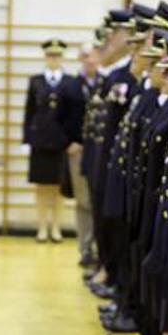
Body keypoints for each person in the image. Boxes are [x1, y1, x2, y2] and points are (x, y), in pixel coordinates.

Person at [23, 38, 73, 242]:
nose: (54, 59)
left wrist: (72, 139)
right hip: (40, 141)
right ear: (45, 57)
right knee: (41, 186)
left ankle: (56, 228)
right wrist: (26, 140)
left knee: (59, 186)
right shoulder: (36, 81)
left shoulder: (70, 81)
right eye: (50, 55)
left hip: (61, 142)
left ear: (62, 58)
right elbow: (29, 112)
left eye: (57, 55)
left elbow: (73, 114)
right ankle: (42, 228)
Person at [64, 42, 103, 264]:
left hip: (99, 149)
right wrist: (67, 142)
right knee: (83, 201)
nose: (90, 60)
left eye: (94, 55)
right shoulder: (70, 85)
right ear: (80, 58)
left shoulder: (106, 83)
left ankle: (99, 247)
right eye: (86, 56)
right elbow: (57, 117)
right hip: (78, 149)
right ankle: (85, 248)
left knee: (99, 199)